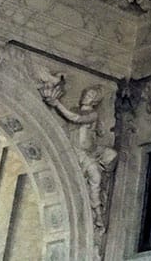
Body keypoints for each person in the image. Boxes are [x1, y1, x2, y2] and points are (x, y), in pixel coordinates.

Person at [40, 79, 118, 229]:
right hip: (77, 151)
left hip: (92, 151)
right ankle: (97, 211)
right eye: (87, 94)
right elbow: (73, 117)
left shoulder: (92, 114)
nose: (87, 97)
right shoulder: (75, 110)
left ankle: (98, 204)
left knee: (105, 165)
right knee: (94, 176)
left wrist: (57, 104)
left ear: (95, 101)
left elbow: (77, 119)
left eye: (91, 96)